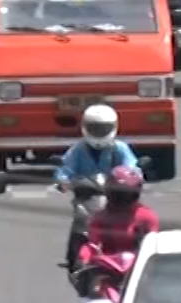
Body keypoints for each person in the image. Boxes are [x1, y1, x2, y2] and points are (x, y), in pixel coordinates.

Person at [54, 104, 142, 265]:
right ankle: (73, 257)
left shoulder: (120, 148)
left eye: (103, 128)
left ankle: (137, 254)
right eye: (95, 128)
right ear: (85, 127)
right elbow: (66, 168)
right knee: (79, 223)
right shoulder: (78, 149)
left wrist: (133, 177)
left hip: (116, 194)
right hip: (87, 195)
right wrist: (63, 181)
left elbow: (131, 167)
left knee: (135, 222)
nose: (99, 132)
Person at [82, 166, 159, 256]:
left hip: (138, 265)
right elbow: (92, 245)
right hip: (107, 266)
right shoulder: (100, 217)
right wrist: (83, 258)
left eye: (126, 194)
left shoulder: (147, 217)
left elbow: (154, 247)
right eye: (118, 194)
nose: (122, 198)